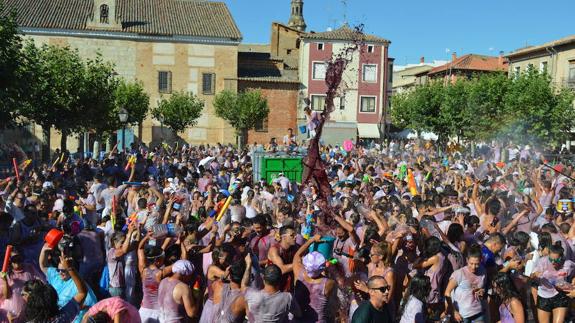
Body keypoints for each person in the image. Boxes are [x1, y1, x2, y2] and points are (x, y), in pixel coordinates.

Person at [22, 255, 88, 322]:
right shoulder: (62, 317)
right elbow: (82, 292)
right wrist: (70, 268)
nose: (60, 273)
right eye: (58, 270)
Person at [293, 235, 337, 322]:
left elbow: (297, 255)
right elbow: (333, 306)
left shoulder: (298, 273)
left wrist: (311, 240)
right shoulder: (328, 283)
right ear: (323, 267)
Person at [530, 244, 575, 323]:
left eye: (556, 260)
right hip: (544, 296)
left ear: (561, 257)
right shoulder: (542, 261)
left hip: (560, 296)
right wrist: (534, 274)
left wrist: (573, 282)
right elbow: (532, 275)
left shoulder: (567, 264)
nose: (553, 262)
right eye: (551, 260)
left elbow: (570, 273)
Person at [0, 248, 45, 322]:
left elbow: (42, 282)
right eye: (14, 259)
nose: (17, 261)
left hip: (27, 313)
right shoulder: (5, 274)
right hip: (9, 314)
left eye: (19, 258)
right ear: (9, 261)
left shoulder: (29, 268)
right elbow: (6, 296)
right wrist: (5, 281)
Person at [444, 245, 486, 323]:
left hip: (478, 312)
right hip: (462, 315)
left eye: (477, 264)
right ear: (467, 260)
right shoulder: (459, 274)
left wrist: (482, 291)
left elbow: (482, 288)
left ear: (481, 260)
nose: (474, 267)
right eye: (471, 263)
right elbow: (447, 293)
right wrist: (454, 311)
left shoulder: (483, 271)